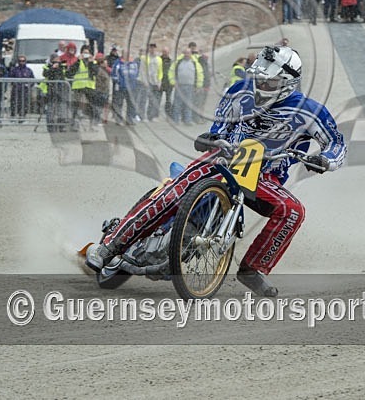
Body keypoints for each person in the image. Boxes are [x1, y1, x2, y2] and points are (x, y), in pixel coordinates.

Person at [84, 45, 347, 296]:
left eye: (268, 83)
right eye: (258, 79)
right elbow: (219, 128)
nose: (260, 86)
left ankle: (253, 268)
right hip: (222, 159)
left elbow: (336, 143)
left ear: (288, 83)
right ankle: (110, 246)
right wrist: (213, 139)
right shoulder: (239, 91)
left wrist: (325, 160)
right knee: (174, 193)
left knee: (293, 211)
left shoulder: (311, 111)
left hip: (263, 177)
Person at [8, 55, 35, 121]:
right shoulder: (14, 69)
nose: (21, 62)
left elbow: (32, 80)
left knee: (24, 104)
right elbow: (10, 78)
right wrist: (14, 84)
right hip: (16, 90)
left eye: (23, 61)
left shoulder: (29, 70)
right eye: (20, 61)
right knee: (14, 103)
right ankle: (13, 117)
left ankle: (22, 118)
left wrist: (28, 85)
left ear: (25, 61)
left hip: (25, 90)